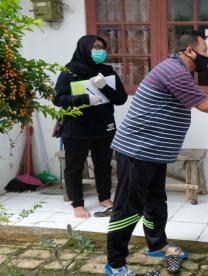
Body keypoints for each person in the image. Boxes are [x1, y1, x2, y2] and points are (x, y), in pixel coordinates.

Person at [105, 30, 208, 276]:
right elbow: (203, 104)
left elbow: (200, 96)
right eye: (204, 51)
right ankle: (115, 264)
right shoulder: (173, 70)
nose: (207, 57)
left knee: (155, 201)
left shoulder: (179, 71)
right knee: (128, 207)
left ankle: (157, 244)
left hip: (154, 152)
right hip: (138, 150)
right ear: (189, 51)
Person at [53, 35, 128, 218]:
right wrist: (84, 99)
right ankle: (77, 203)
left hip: (104, 126)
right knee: (74, 166)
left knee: (103, 164)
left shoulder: (108, 71)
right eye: (95, 47)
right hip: (77, 127)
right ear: (84, 48)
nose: (99, 51)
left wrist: (105, 87)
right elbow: (58, 98)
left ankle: (104, 197)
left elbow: (121, 99)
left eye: (102, 47)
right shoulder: (70, 71)